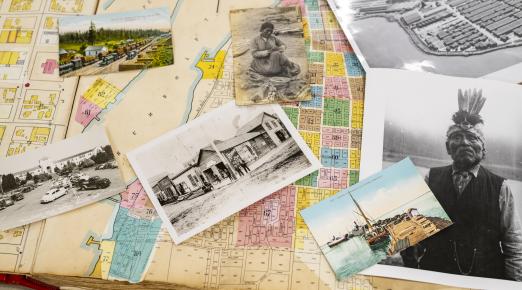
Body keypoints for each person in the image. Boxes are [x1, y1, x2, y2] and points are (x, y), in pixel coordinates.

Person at [400, 89, 522, 280]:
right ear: (448, 147)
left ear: (483, 150)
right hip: (435, 276)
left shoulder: (501, 188)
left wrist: (514, 283)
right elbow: (409, 234)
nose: (464, 143)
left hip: (485, 278)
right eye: (457, 137)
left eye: (472, 138)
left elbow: (514, 243)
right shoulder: (429, 179)